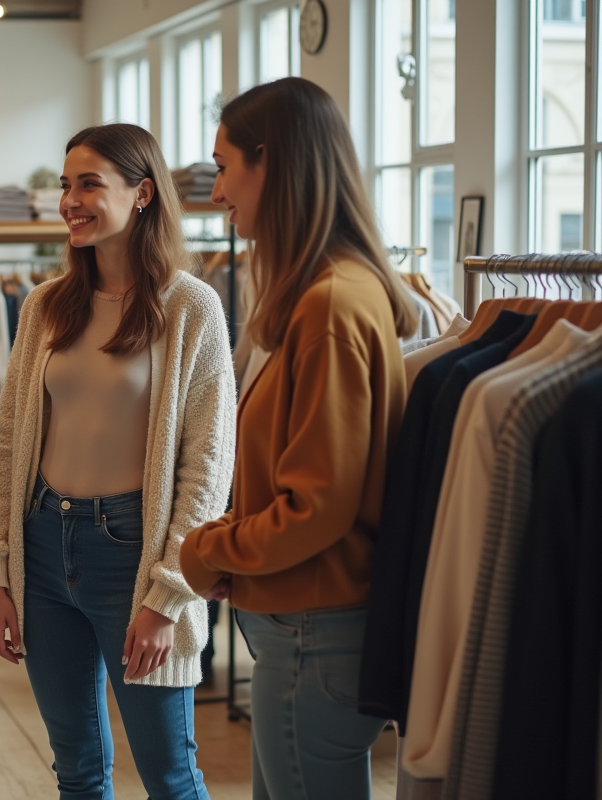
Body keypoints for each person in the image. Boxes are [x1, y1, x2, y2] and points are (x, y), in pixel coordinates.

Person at [0, 123, 237, 800]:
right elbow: (7, 446)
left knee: (170, 775)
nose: (71, 200)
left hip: (134, 555)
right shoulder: (44, 307)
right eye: (67, 185)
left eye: (89, 183)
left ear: (143, 193)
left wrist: (167, 595)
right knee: (78, 772)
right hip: (42, 548)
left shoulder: (191, 309)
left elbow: (207, 469)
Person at [180, 77, 418, 800]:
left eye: (224, 167)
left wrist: (207, 547)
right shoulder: (333, 291)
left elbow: (318, 504)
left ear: (271, 162)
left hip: (314, 626)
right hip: (306, 620)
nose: (218, 193)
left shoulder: (331, 305)